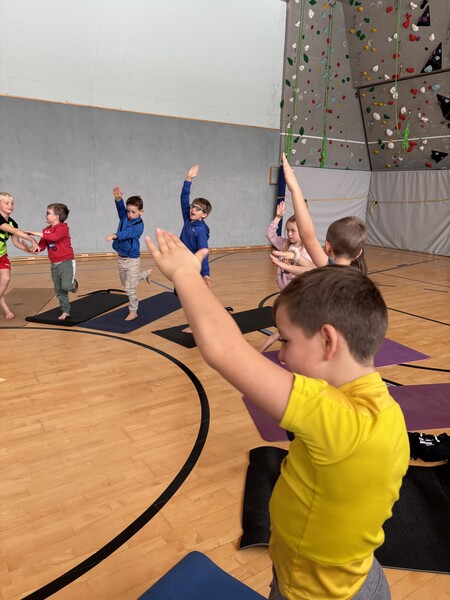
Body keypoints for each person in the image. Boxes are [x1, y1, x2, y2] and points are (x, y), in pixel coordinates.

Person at [145, 229, 409, 600]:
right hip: (358, 574)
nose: (281, 355)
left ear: (328, 341)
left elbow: (224, 349)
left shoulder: (340, 420)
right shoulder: (382, 406)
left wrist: (185, 274)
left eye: (285, 340)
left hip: (314, 592)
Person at [281, 152, 367, 273]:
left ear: (327, 246)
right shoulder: (359, 279)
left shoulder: (329, 269)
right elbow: (312, 267)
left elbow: (307, 235)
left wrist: (295, 188)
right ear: (358, 253)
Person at [105, 187, 152, 321]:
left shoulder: (139, 225)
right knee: (125, 283)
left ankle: (133, 311)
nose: (130, 214)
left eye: (133, 212)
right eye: (128, 211)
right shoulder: (124, 217)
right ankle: (145, 274)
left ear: (141, 212)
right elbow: (120, 209)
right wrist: (118, 199)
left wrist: (115, 235)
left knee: (130, 288)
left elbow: (128, 233)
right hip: (121, 258)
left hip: (132, 259)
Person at [27, 203, 78, 321]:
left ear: (57, 217)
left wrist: (36, 233)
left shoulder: (63, 228)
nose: (45, 215)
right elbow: (41, 247)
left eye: (48, 213)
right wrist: (30, 248)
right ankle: (65, 311)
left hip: (66, 262)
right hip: (54, 265)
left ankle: (72, 283)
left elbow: (55, 237)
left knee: (66, 286)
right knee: (59, 290)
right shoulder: (46, 230)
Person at [178, 164, 212, 333]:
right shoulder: (187, 220)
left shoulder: (200, 231)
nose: (193, 209)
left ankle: (198, 324)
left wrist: (205, 273)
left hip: (194, 268)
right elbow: (184, 199)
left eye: (198, 209)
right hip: (184, 265)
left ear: (204, 215)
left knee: (192, 298)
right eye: (193, 206)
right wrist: (188, 179)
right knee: (184, 296)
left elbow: (204, 252)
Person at [0, 192, 39, 319]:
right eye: (6, 203)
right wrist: (32, 240)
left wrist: (27, 249)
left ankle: (6, 310)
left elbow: (16, 242)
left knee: (5, 280)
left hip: (2, 255)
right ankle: (6, 310)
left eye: (12, 203)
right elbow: (14, 231)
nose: (10, 205)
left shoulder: (12, 222)